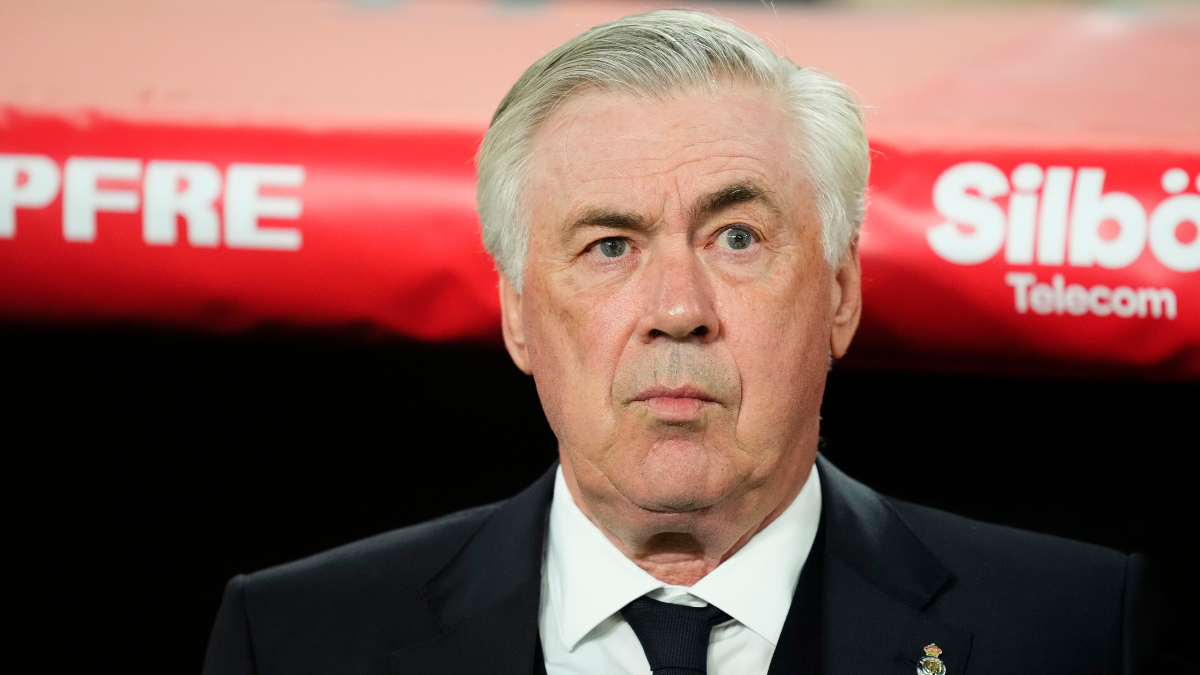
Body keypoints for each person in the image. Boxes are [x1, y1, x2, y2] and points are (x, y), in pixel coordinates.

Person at [202, 10, 1158, 675]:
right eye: (610, 245)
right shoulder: (291, 641)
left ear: (839, 291)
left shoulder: (1075, 631)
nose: (677, 308)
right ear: (519, 313)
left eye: (737, 237)